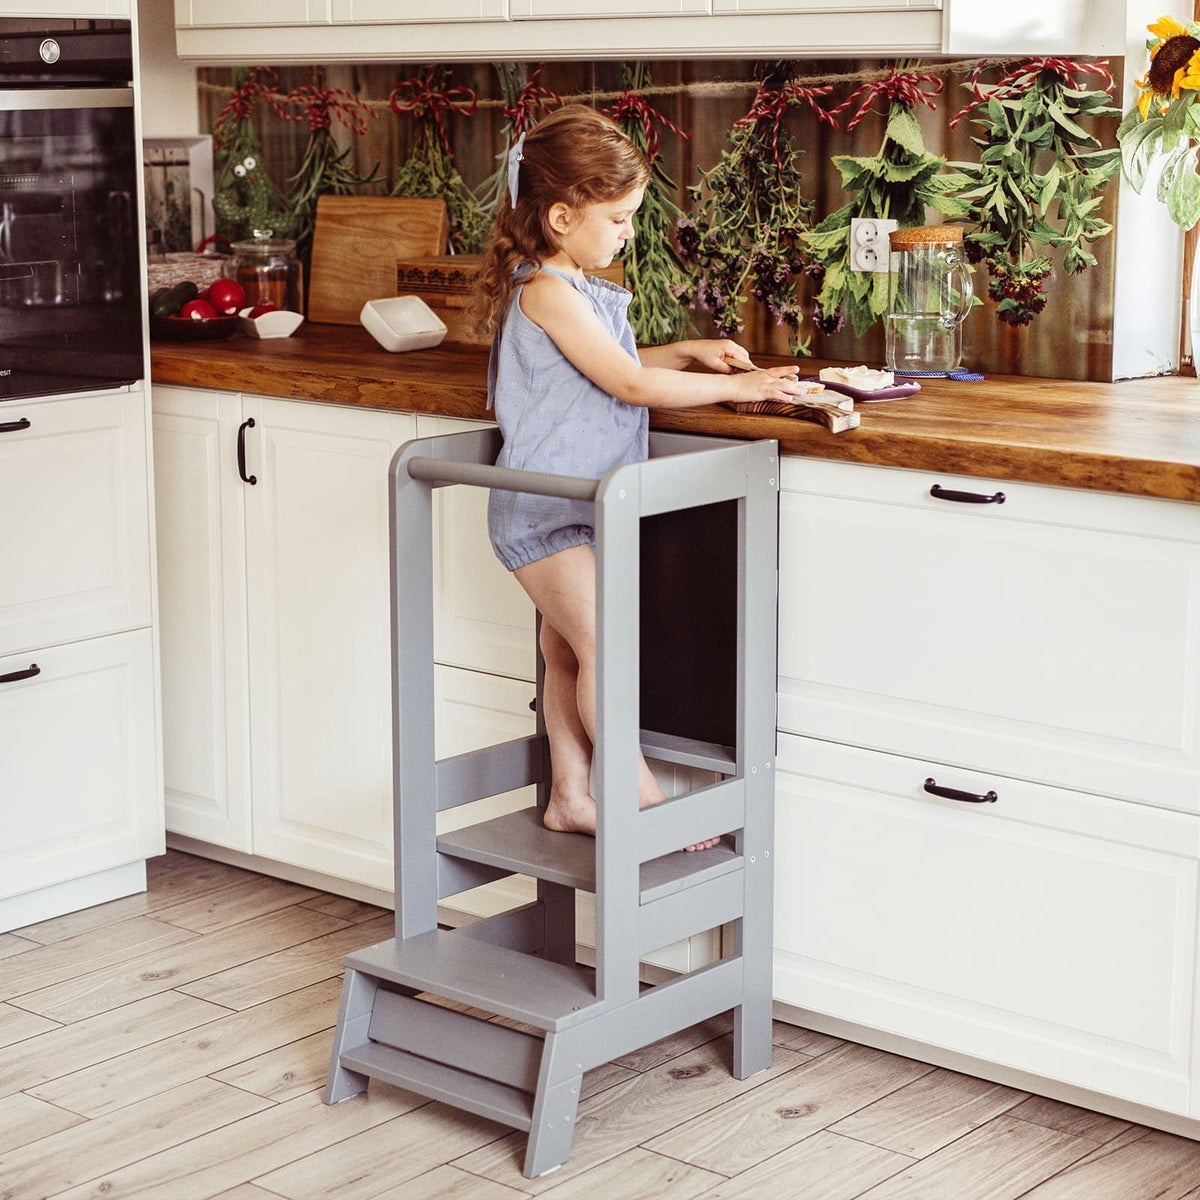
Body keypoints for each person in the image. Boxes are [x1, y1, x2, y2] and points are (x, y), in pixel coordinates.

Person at [469, 103, 808, 849]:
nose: (629, 233)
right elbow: (625, 385)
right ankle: (641, 795)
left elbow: (609, 367)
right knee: (607, 648)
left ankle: (570, 795)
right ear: (561, 216)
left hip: (573, 506)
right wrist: (737, 389)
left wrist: (687, 351)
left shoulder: (568, 287)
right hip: (543, 511)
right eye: (619, 219)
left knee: (566, 652)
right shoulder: (550, 291)